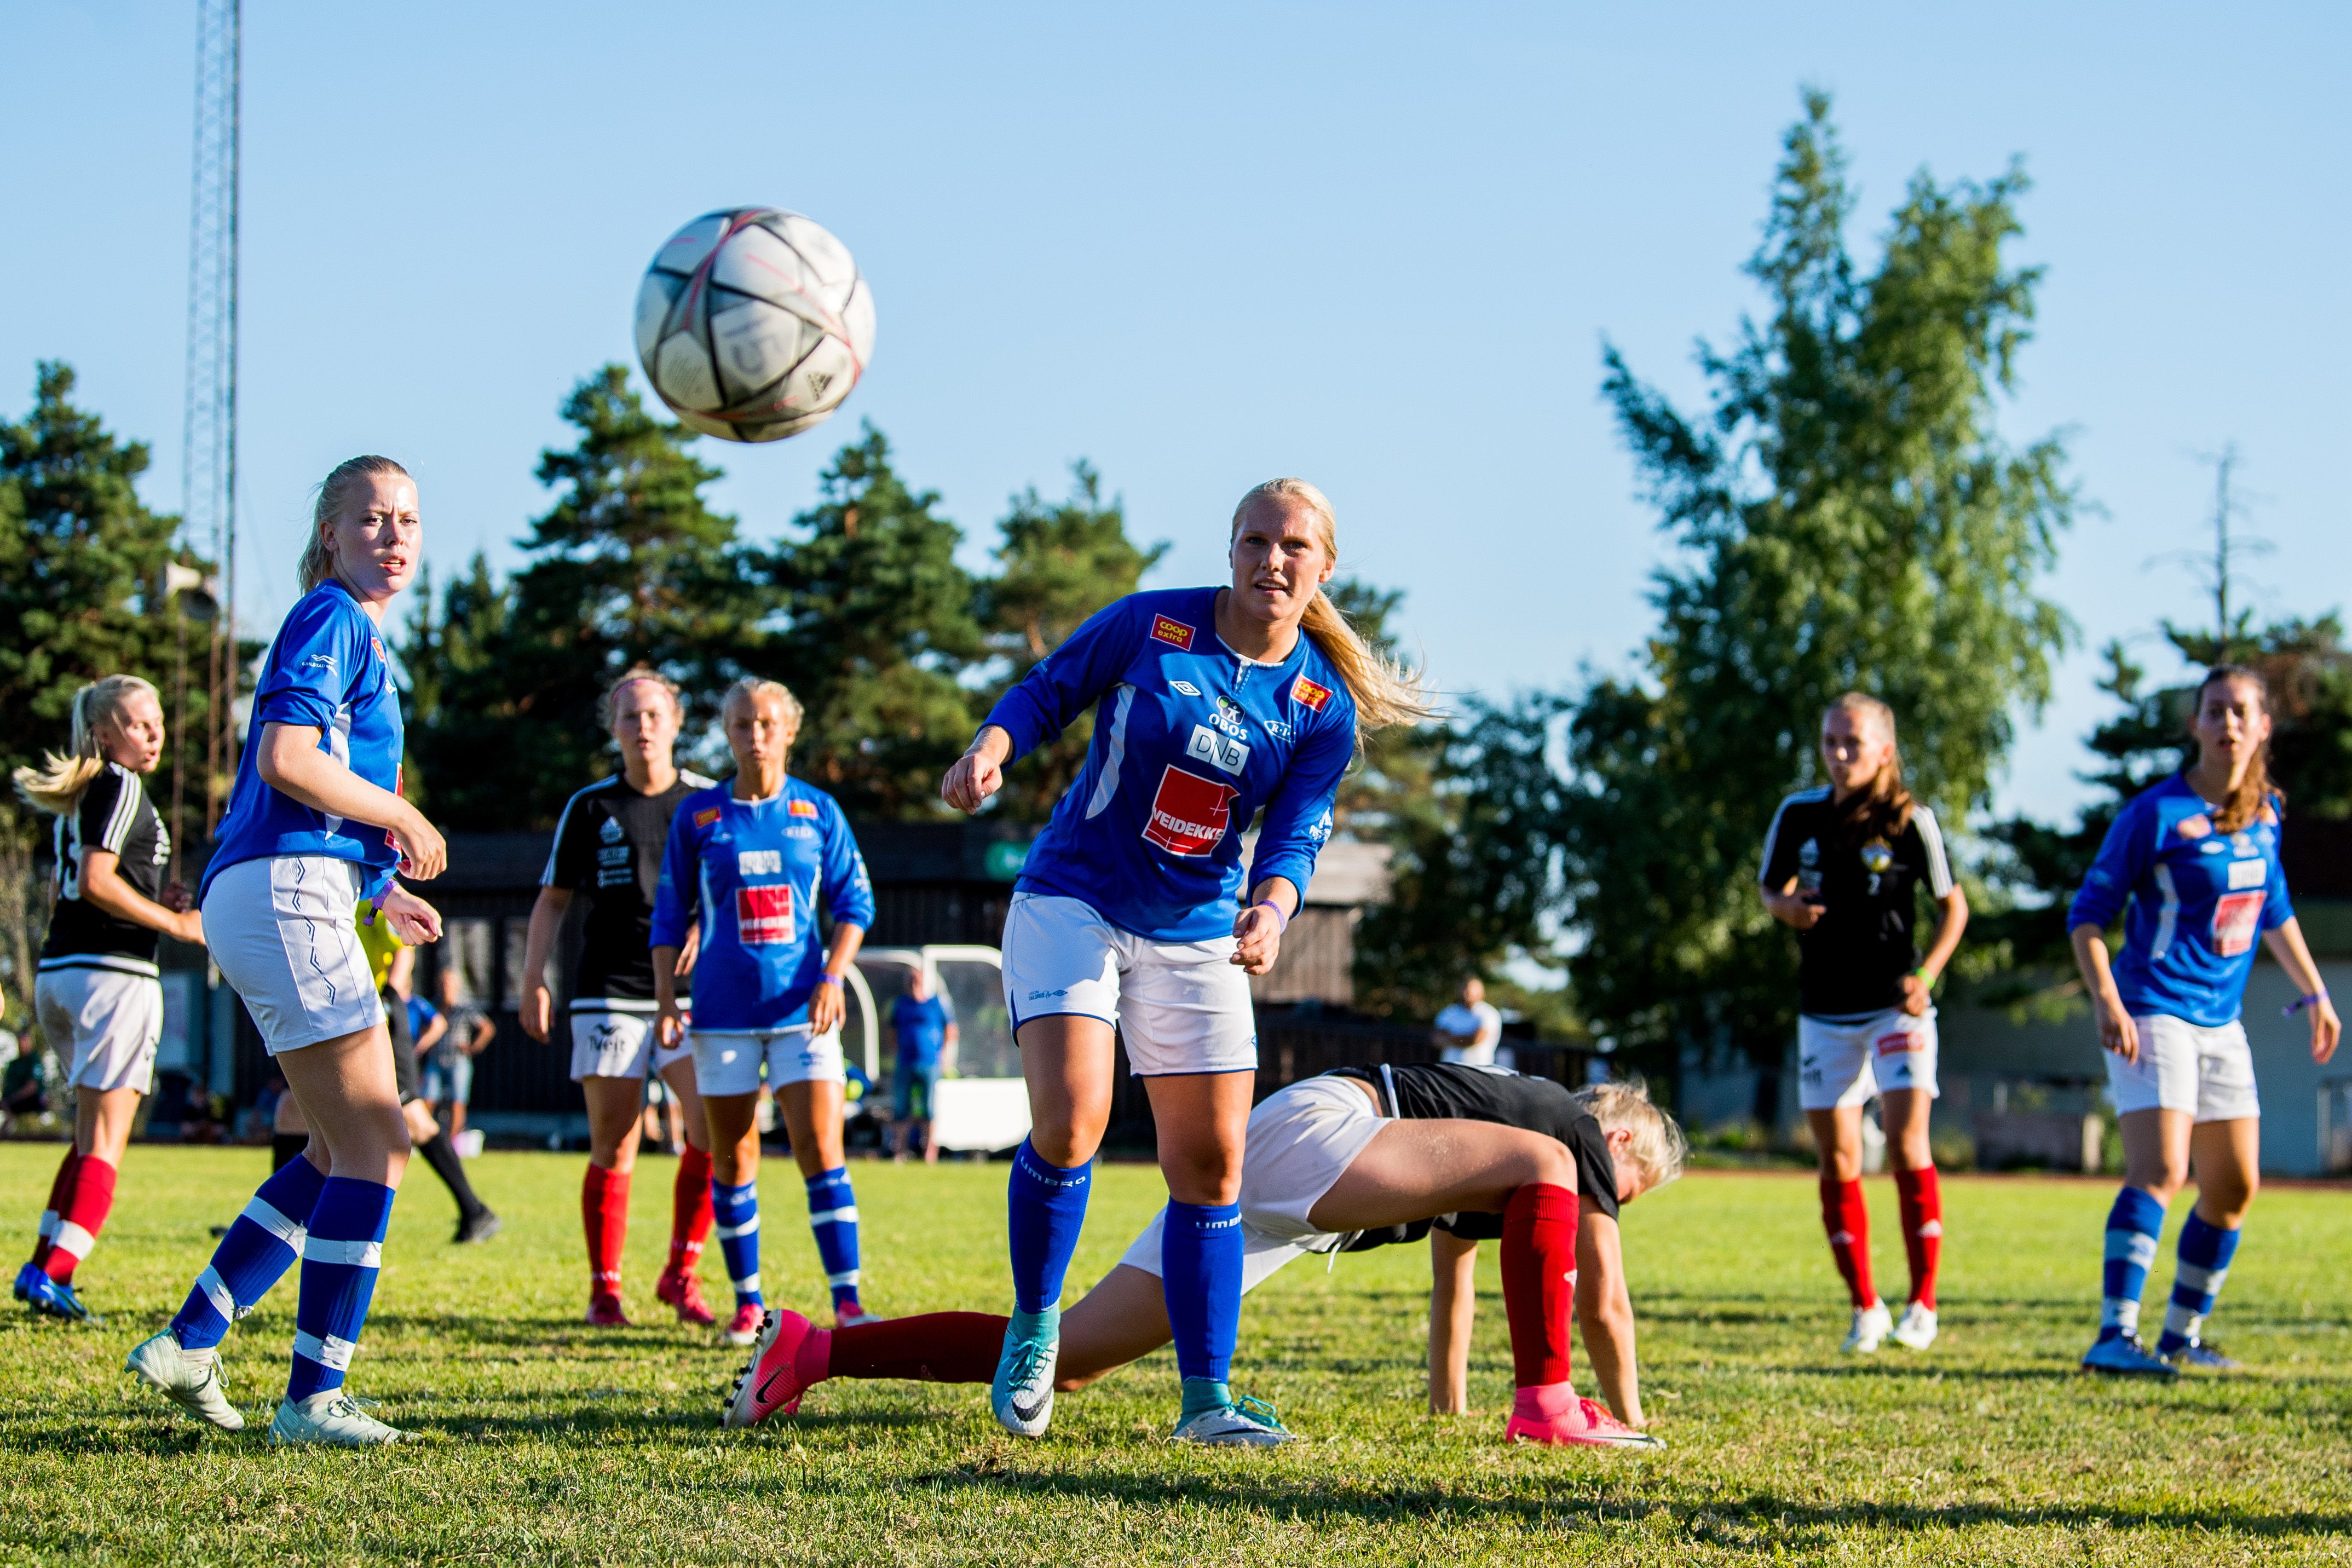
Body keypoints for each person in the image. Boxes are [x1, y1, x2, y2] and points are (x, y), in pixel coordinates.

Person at [938, 477, 1431, 1446]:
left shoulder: (1321, 707)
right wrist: (991, 747)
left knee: (1211, 1164)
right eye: (1255, 540)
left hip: (1198, 929)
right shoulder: (1149, 625)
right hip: (1075, 899)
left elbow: (1296, 836)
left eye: (1294, 546)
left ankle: (1206, 1401)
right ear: (1231, 548)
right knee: (1072, 1121)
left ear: (1324, 567)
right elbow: (1046, 691)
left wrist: (1272, 911)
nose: (1271, 560)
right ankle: (1035, 1329)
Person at [728, 1068, 1681, 1450]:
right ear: (1622, 1143)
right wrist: (1619, 1415)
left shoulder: (1497, 1157)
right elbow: (1602, 1303)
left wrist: (1449, 1408)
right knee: (1548, 1168)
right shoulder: (1567, 1139)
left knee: (1069, 1357)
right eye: (1623, 1194)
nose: (1603, 1210)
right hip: (1322, 1129)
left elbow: (1456, 1280)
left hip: (1287, 1175)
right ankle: (1549, 1408)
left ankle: (813, 1351)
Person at [123, 454, 446, 1446]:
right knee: (379, 1145)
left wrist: (381, 884)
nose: (393, 534)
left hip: (280, 889)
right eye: (372, 517)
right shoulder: (333, 616)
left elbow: (309, 788)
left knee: (334, 1146)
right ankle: (313, 1399)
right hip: (282, 891)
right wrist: (403, 815)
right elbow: (287, 759)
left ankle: (191, 1339)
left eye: (408, 519)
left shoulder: (354, 631)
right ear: (330, 535)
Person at [2068, 665, 2339, 1376]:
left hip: (2222, 1023)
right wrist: (2107, 998)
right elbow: (2088, 917)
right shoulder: (2154, 814)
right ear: (2195, 725)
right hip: (2152, 1009)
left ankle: (2181, 1337)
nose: (2228, 724)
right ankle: (2113, 1336)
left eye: (2241, 711)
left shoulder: (2266, 813)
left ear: (2264, 726)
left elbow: (2274, 906)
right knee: (2161, 1167)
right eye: (2215, 711)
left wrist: (2316, 992)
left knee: (2233, 1187)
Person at [651, 677, 878, 1347]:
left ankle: (849, 1302)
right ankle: (748, 1305)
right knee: (733, 1155)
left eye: (767, 723)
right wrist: (666, 1000)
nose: (755, 735)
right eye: (742, 724)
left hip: (802, 1013)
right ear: (726, 733)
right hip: (720, 1015)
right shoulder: (698, 816)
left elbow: (856, 903)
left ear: (790, 730)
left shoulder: (819, 810)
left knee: (822, 1149)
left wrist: (833, 974)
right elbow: (668, 915)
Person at [1760, 693, 1967, 1354]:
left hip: (1894, 1008)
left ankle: (1923, 1303)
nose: (1840, 753)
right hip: (1824, 1012)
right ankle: (1864, 1306)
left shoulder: (1912, 820)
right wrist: (1787, 909)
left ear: (1884, 749)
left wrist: (1925, 975)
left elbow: (1955, 908)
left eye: (1852, 742)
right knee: (1839, 1157)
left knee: (1906, 1144)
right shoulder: (1798, 813)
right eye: (1830, 741)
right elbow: (1770, 890)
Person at [520, 666, 720, 1328]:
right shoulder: (590, 806)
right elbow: (552, 899)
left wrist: (704, 925)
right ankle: (604, 1290)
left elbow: (730, 885)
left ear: (677, 722)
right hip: (609, 988)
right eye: (630, 716)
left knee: (711, 1128)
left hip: (691, 992)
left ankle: (680, 1273)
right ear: (613, 727)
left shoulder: (709, 800)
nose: (643, 727)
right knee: (616, 1139)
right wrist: (533, 977)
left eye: (655, 714)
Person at [10, 675, 205, 1322]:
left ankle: (43, 1266)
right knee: (107, 1141)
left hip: (61, 974)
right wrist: (175, 922)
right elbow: (98, 880)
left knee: (86, 1134)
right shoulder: (120, 782)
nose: (154, 734)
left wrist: (152, 895)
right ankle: (54, 1273)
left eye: (157, 722)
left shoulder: (83, 791)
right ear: (101, 732)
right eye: (137, 724)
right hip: (111, 976)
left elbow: (80, 884)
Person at [351, 902, 498, 1241]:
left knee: (414, 1119)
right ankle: (283, 1223)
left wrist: (390, 997)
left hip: (382, 1017)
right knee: (294, 1111)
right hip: (345, 1015)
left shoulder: (372, 893)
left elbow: (404, 950)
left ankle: (475, 1211)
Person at [890, 967, 956, 1163]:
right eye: (910, 980)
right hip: (906, 1062)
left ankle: (930, 1153)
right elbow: (892, 1031)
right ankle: (900, 1151)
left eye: (917, 980)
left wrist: (944, 1056)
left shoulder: (936, 1004)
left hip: (930, 1063)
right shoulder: (901, 1005)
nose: (914, 984)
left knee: (929, 1108)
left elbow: (951, 1030)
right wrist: (896, 1052)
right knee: (901, 1108)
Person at [422, 965, 492, 1144]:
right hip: (436, 1058)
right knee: (428, 1100)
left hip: (458, 1060)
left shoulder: (465, 1007)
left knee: (457, 1102)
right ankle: (424, 1141)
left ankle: (452, 1143)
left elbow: (487, 1028)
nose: (446, 987)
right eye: (443, 983)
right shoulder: (433, 1006)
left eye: (449, 984)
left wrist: (473, 1047)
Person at [1433, 977, 1503, 1067]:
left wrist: (1450, 1038)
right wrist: (1463, 1039)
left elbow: (1476, 1040)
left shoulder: (1489, 1013)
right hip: (1449, 1068)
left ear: (1482, 992)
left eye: (1472, 989)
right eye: (1464, 988)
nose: (1467, 992)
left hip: (1478, 1069)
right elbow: (1436, 1039)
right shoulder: (1448, 1012)